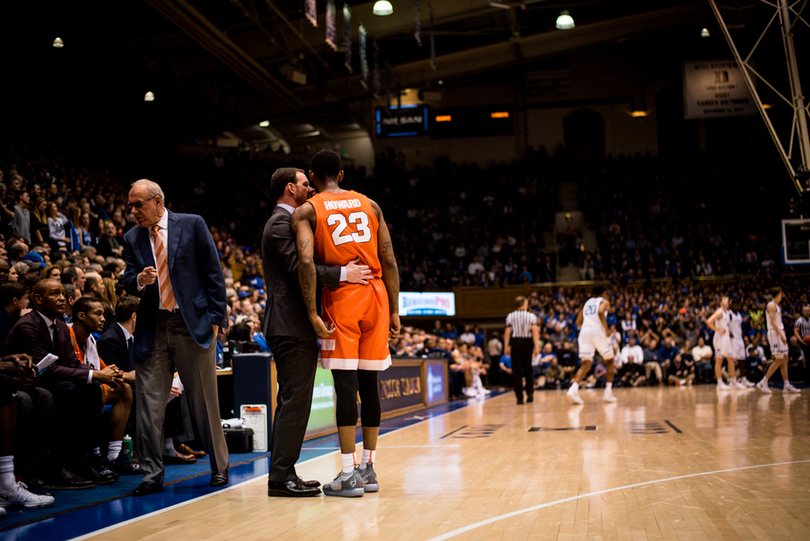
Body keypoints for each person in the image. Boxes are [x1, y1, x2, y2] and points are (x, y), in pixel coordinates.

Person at [292, 150, 400, 497]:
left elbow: (306, 263)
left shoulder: (306, 210)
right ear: (341, 172)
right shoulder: (370, 204)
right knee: (369, 386)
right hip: (377, 296)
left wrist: (311, 312)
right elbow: (390, 260)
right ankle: (369, 469)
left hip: (343, 298)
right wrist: (395, 310)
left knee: (345, 386)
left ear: (313, 175)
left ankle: (347, 472)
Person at [261, 167, 370, 498]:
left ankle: (285, 472)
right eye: (306, 184)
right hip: (290, 325)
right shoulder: (281, 223)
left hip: (292, 325)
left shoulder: (289, 221)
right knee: (294, 401)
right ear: (291, 188)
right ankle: (280, 477)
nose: (311, 189)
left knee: (295, 401)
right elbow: (300, 270)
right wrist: (343, 273)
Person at [122, 179, 229, 497]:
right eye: (130, 205)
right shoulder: (132, 237)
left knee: (203, 403)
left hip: (191, 323)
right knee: (149, 405)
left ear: (156, 202)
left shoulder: (192, 224)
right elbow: (127, 280)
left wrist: (215, 320)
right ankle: (152, 475)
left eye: (137, 204)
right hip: (153, 327)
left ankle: (219, 468)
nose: (133, 211)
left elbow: (213, 272)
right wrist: (138, 280)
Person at [68, 297, 140, 476]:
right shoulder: (67, 335)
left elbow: (104, 369)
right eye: (98, 314)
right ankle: (94, 454)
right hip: (70, 389)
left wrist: (117, 374)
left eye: (103, 314)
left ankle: (114, 455)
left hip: (87, 386)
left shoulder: (90, 339)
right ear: (82, 316)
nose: (103, 319)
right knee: (97, 389)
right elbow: (73, 370)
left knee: (123, 388)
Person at [567, 286, 617, 404]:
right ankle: (608, 392)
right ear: (604, 293)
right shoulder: (604, 301)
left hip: (584, 332)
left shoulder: (587, 303)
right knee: (609, 360)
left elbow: (578, 322)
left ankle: (573, 388)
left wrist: (588, 327)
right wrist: (606, 329)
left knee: (586, 364)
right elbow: (600, 312)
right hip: (597, 331)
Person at [757, 288, 799, 394]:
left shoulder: (776, 305)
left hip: (779, 332)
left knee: (785, 358)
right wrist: (781, 335)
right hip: (775, 333)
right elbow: (772, 322)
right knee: (779, 359)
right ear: (779, 294)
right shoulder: (771, 306)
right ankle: (764, 381)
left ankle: (786, 385)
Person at [503, 296, 540, 404]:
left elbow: (507, 333)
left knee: (517, 371)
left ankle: (519, 398)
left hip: (515, 343)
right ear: (524, 304)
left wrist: (506, 346)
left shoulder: (510, 316)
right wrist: (537, 347)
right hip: (527, 343)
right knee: (528, 369)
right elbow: (535, 332)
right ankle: (530, 394)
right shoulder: (531, 316)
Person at [707, 295, 743, 390]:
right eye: (725, 300)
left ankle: (733, 382)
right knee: (719, 360)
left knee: (731, 359)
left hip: (726, 338)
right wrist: (717, 329)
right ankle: (720, 383)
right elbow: (709, 321)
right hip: (720, 338)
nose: (727, 301)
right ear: (721, 303)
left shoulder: (727, 312)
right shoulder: (719, 312)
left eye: (728, 300)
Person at [730, 300, 754, 387]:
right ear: (731, 305)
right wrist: (729, 333)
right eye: (734, 305)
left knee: (742, 359)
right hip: (733, 340)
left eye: (737, 305)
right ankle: (733, 380)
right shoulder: (729, 314)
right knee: (733, 361)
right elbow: (725, 324)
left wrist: (744, 338)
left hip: (740, 339)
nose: (736, 307)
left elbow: (740, 327)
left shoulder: (739, 315)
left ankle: (743, 379)